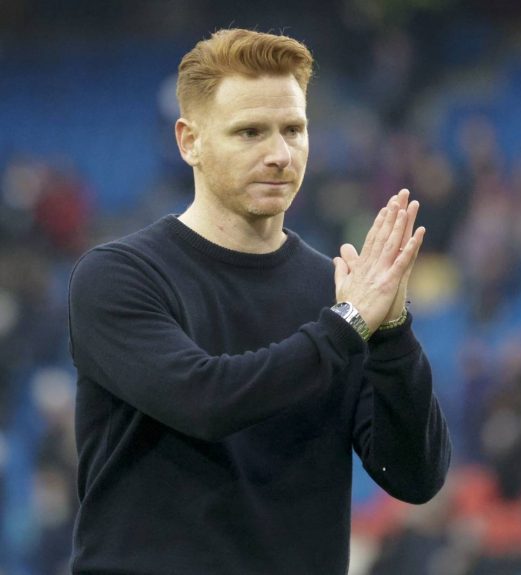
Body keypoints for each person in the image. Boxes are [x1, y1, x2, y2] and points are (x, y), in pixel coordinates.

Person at [67, 28, 451, 574]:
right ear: (189, 141)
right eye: (250, 132)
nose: (279, 154)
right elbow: (204, 401)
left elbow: (415, 478)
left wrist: (392, 335)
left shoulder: (337, 293)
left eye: (293, 129)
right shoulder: (119, 276)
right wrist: (348, 325)